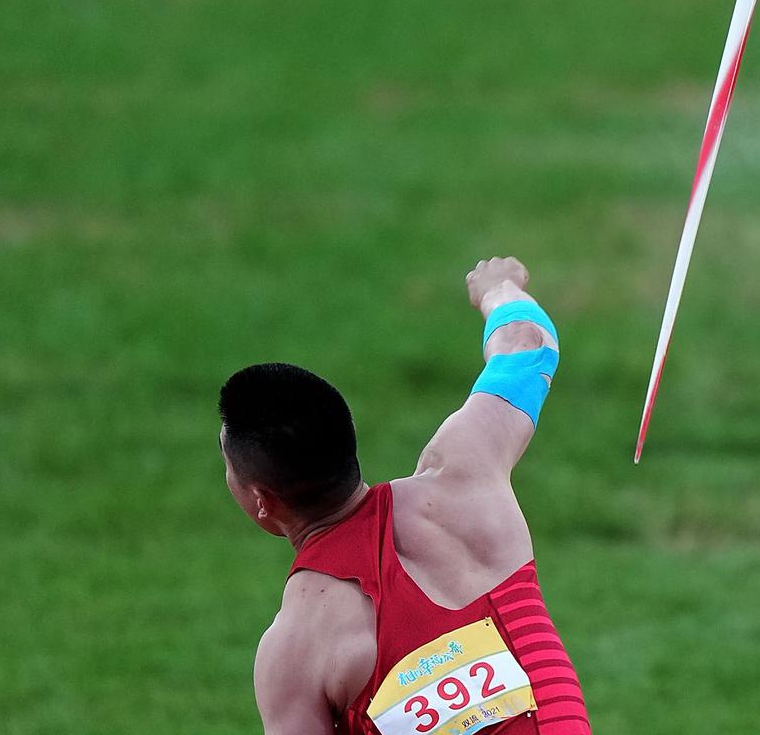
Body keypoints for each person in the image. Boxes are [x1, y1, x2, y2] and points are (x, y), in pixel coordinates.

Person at [219, 256, 590, 734]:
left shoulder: (296, 647)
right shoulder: (464, 473)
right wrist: (498, 289)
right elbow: (527, 346)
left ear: (260, 500)